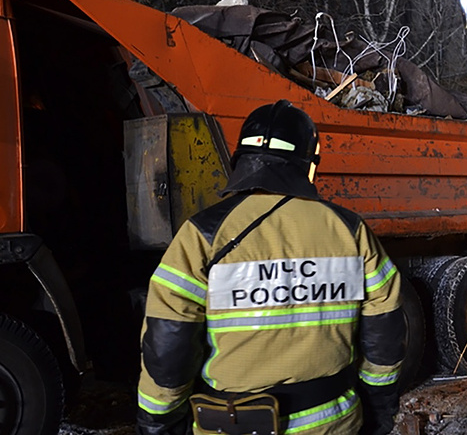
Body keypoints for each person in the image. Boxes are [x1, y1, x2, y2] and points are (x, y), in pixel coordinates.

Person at [137, 99, 404, 435]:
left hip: (230, 426)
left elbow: (168, 344)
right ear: (308, 164)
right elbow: (386, 331)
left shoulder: (202, 234)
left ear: (241, 160)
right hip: (334, 424)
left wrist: (156, 422)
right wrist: (379, 406)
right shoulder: (350, 230)